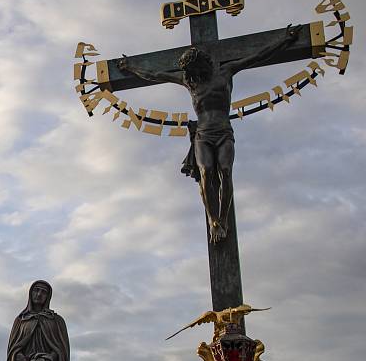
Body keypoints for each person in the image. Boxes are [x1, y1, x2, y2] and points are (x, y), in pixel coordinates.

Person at [118, 25, 300, 242]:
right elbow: (154, 74)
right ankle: (214, 220)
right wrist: (130, 68)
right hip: (203, 134)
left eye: (193, 71)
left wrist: (284, 41)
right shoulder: (190, 81)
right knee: (206, 171)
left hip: (223, 130)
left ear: (202, 65)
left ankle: (223, 219)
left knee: (225, 170)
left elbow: (258, 55)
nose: (190, 75)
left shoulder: (225, 72)